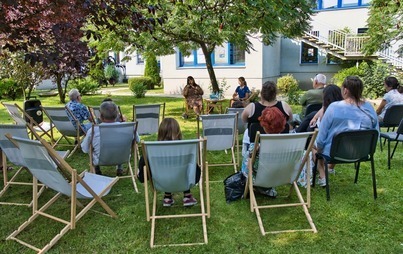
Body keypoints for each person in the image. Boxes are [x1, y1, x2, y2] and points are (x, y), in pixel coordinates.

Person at [315, 76, 378, 186]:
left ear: (345, 90)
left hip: (334, 153)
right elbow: (376, 132)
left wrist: (319, 149)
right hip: (362, 152)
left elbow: (321, 136)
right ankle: (329, 169)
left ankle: (323, 176)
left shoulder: (334, 107)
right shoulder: (369, 107)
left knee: (314, 146)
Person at [138, 118, 200, 207]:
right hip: (184, 179)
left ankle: (167, 197)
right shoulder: (185, 147)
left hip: (162, 181)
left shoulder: (153, 149)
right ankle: (187, 196)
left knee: (166, 169)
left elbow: (143, 163)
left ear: (160, 132)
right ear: (178, 131)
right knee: (187, 167)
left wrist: (140, 176)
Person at [240, 107, 287, 197]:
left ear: (264, 125)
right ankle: (266, 188)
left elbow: (248, 166)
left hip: (259, 178)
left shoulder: (257, 146)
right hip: (281, 175)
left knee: (248, 156)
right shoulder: (290, 143)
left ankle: (255, 188)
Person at [81, 101, 126, 176]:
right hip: (123, 158)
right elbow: (137, 141)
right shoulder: (127, 128)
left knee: (89, 145)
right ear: (117, 115)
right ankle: (119, 168)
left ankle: (97, 169)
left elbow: (84, 148)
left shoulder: (93, 130)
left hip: (99, 160)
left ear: (101, 116)